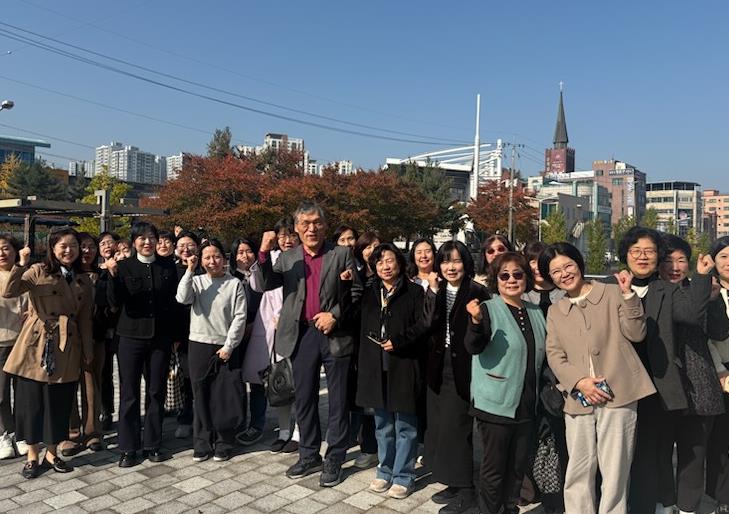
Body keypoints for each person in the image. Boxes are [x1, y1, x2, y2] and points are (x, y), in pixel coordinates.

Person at [251, 201, 362, 487]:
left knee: (338, 399)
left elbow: (357, 292)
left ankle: (335, 456)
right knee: (303, 397)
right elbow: (265, 283)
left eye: (316, 223)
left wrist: (335, 315)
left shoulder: (341, 254)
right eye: (305, 224)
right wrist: (263, 252)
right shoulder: (288, 258)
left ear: (324, 226)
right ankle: (309, 453)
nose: (311, 228)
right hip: (301, 334)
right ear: (297, 229)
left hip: (334, 333)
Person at [540, 242, 655, 514]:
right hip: (578, 396)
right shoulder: (556, 310)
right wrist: (579, 382)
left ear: (579, 264)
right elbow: (554, 355)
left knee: (615, 467)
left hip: (619, 392)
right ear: (550, 277)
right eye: (555, 271)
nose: (564, 274)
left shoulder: (612, 293)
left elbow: (637, 333)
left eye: (568, 265)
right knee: (579, 465)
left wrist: (628, 295)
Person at [616, 227, 714, 514]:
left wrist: (702, 276)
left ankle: (645, 506)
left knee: (649, 452)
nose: (642, 256)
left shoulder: (666, 290)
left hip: (655, 384)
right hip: (617, 383)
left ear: (657, 256)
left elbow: (692, 315)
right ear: (625, 255)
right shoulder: (610, 287)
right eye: (636, 251)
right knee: (616, 454)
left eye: (649, 251)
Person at [1, 228, 94, 479]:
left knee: (58, 401)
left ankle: (52, 453)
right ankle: (32, 456)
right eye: (63, 246)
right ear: (52, 248)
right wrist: (21, 264)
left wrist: (87, 349)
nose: (69, 250)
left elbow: (85, 318)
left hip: (67, 344)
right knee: (31, 401)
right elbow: (9, 291)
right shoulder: (37, 270)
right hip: (36, 341)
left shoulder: (83, 279)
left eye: (73, 245)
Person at [464, 252, 545, 514]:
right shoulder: (487, 309)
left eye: (518, 274)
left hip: (527, 403)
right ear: (495, 279)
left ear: (526, 278)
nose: (511, 280)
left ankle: (510, 510)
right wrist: (475, 321)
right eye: (504, 275)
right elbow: (473, 346)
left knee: (517, 468)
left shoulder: (535, 311)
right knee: (494, 469)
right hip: (496, 403)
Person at [351, 243, 432, 499]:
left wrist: (400, 340)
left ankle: (404, 475)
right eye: (380, 262)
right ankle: (384, 470)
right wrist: (346, 285)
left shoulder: (414, 291)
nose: (385, 266)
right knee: (383, 424)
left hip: (403, 363)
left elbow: (423, 326)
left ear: (399, 262)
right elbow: (352, 318)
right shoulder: (369, 292)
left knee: (405, 425)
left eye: (389, 260)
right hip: (375, 366)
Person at [657, 234, 726, 514]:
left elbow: (718, 331)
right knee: (660, 451)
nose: (675, 267)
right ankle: (665, 503)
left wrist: (711, 296)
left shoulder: (703, 287)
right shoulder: (653, 292)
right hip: (663, 385)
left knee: (694, 455)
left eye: (681, 260)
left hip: (700, 385)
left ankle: (688, 507)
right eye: (668, 260)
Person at [106, 222, 179, 467]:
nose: (147, 242)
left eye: (151, 237)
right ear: (134, 241)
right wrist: (112, 276)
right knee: (129, 392)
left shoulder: (167, 266)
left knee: (156, 391)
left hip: (160, 338)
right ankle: (128, 447)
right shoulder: (124, 266)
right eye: (142, 238)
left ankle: (152, 443)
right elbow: (114, 302)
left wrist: (174, 336)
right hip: (130, 337)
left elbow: (173, 303)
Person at [425, 241, 490, 513]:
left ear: (466, 262)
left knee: (458, 427)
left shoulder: (477, 292)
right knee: (440, 426)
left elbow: (484, 332)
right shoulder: (436, 290)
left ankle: (466, 489)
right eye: (445, 261)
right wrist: (432, 291)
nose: (450, 267)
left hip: (464, 368)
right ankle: (452, 480)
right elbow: (427, 323)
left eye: (456, 260)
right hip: (438, 366)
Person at [176, 239, 247, 462]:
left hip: (224, 345)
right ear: (201, 260)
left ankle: (224, 442)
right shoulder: (196, 281)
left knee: (222, 396)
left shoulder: (234, 284)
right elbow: (182, 298)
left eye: (216, 256)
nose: (212, 261)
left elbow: (240, 317)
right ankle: (202, 442)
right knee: (200, 394)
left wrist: (229, 346)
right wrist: (189, 270)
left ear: (224, 259)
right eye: (207, 257)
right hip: (198, 344)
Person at [248, 218, 301, 453]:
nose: (287, 240)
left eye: (292, 235)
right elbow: (259, 285)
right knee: (280, 381)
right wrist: (263, 251)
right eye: (282, 236)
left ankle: (299, 432)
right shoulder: (271, 259)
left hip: (298, 327)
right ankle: (284, 431)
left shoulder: (305, 259)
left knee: (300, 382)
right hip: (274, 331)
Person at [61, 232, 106, 456]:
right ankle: (71, 432)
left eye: (92, 246)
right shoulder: (64, 273)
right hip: (66, 337)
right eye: (83, 246)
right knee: (67, 383)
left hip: (94, 335)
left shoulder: (102, 273)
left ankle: (92, 431)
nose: (87, 251)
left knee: (91, 383)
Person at [231, 237, 267, 446]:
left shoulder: (261, 275)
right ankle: (238, 422)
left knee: (257, 383)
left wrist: (253, 327)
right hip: (235, 336)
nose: (245, 256)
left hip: (257, 334)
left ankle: (257, 424)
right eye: (240, 252)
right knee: (236, 381)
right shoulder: (229, 277)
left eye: (248, 251)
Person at [706, 236, 729, 511]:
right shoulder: (707, 292)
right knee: (720, 440)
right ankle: (722, 498)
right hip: (719, 372)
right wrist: (721, 372)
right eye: (723, 256)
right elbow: (702, 337)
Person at [0, 235, 28, 460]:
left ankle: (22, 434)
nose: (1, 253)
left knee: (23, 394)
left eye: (5, 248)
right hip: (0, 342)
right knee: (0, 395)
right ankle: (4, 435)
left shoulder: (26, 274)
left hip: (24, 343)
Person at [172, 230, 200, 439]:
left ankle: (202, 416)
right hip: (181, 333)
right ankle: (185, 416)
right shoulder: (171, 270)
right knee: (185, 377)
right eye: (181, 245)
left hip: (204, 331)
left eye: (190, 245)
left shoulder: (205, 268)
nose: (186, 249)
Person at [97, 231, 121, 431]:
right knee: (104, 373)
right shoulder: (94, 271)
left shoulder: (125, 267)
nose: (107, 246)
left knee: (127, 373)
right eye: (103, 243)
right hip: (100, 329)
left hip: (122, 327)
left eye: (110, 242)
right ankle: (106, 411)